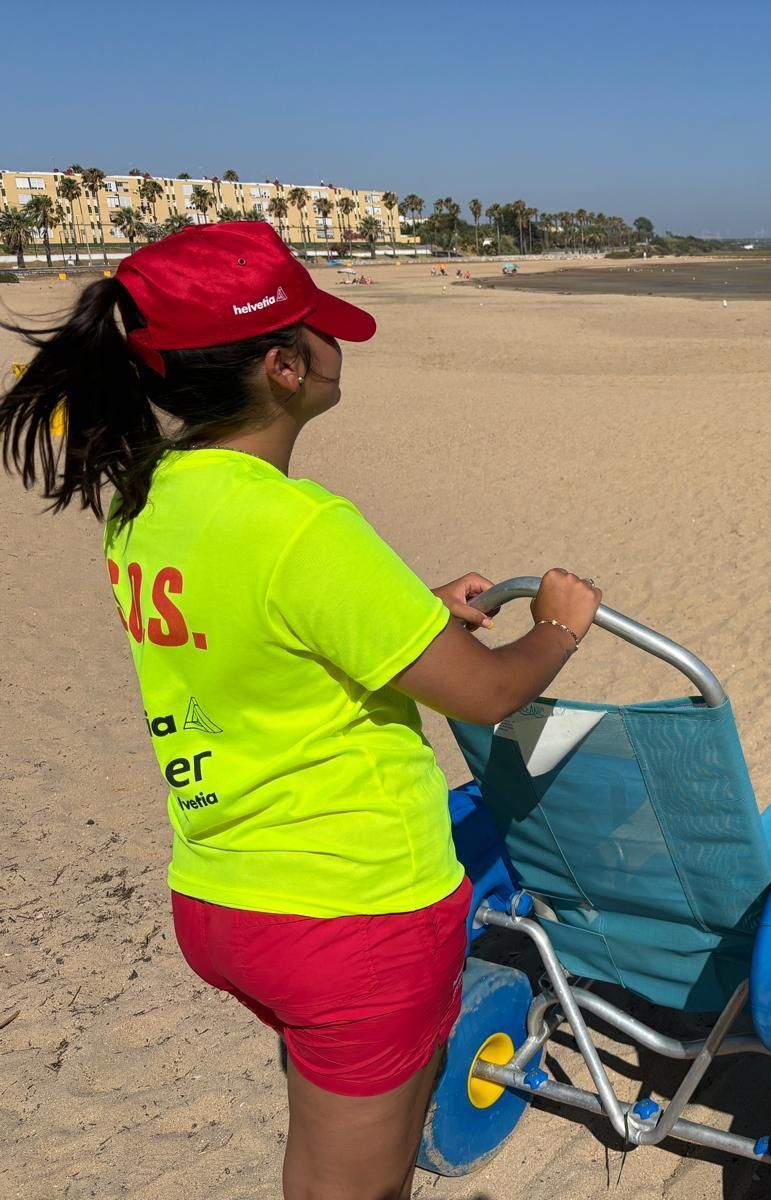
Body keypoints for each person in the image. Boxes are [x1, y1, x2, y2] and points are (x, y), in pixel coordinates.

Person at [0, 223, 602, 1200]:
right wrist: (560, 627)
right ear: (282, 367)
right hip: (348, 912)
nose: (337, 347)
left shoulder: (144, 502)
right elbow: (490, 693)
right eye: (318, 332)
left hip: (220, 893)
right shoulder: (304, 527)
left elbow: (262, 638)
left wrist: (417, 618)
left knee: (342, 1152)